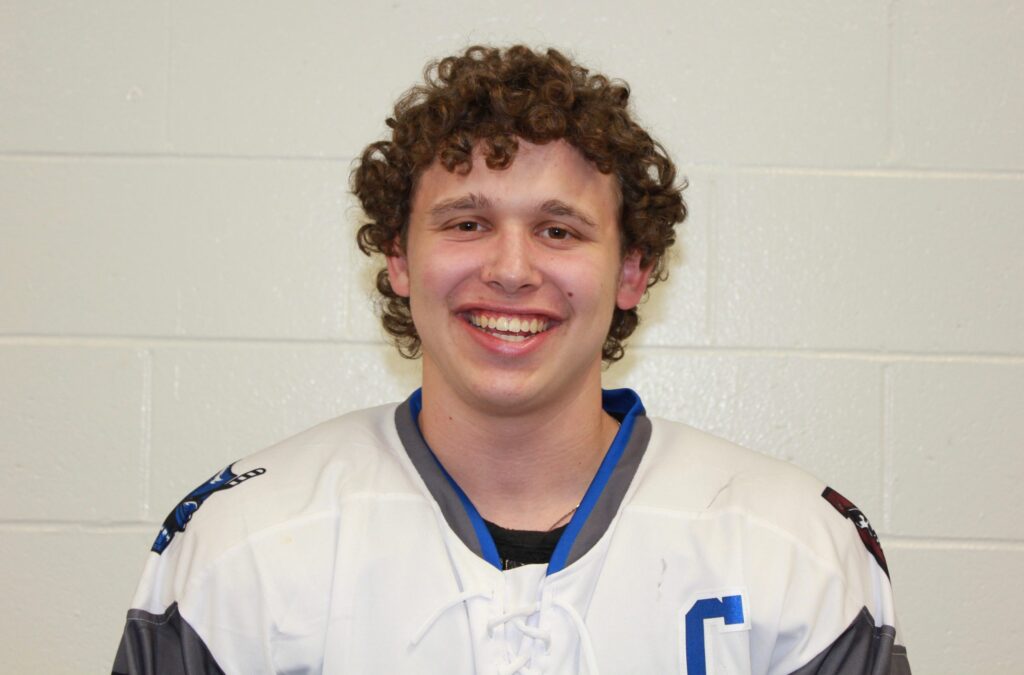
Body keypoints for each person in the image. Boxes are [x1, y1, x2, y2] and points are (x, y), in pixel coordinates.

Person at [113, 45, 910, 674]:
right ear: (399, 257)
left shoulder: (794, 553)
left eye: (559, 230)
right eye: (467, 223)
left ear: (632, 271)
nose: (511, 268)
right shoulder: (240, 547)